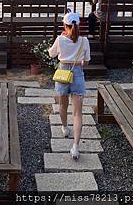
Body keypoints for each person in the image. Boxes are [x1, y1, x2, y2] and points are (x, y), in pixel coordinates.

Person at [48, 12, 91, 160]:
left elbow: (51, 54)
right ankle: (76, 147)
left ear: (64, 25)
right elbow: (87, 61)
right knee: (78, 113)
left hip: (62, 74)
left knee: (62, 105)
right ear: (78, 25)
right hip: (77, 74)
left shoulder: (60, 39)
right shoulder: (84, 41)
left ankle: (65, 128)